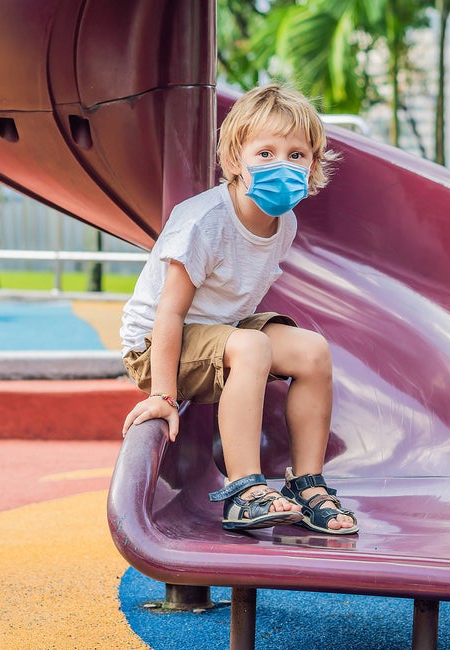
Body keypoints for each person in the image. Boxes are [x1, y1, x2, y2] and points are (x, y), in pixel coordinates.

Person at [120, 84, 358, 535]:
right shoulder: (204, 222)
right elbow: (169, 313)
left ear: (312, 166)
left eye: (296, 155)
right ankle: (243, 490)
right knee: (250, 346)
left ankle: (305, 484)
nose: (282, 166)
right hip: (155, 344)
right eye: (265, 153)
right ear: (234, 162)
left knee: (312, 351)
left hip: (216, 331)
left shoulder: (284, 222)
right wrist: (163, 395)